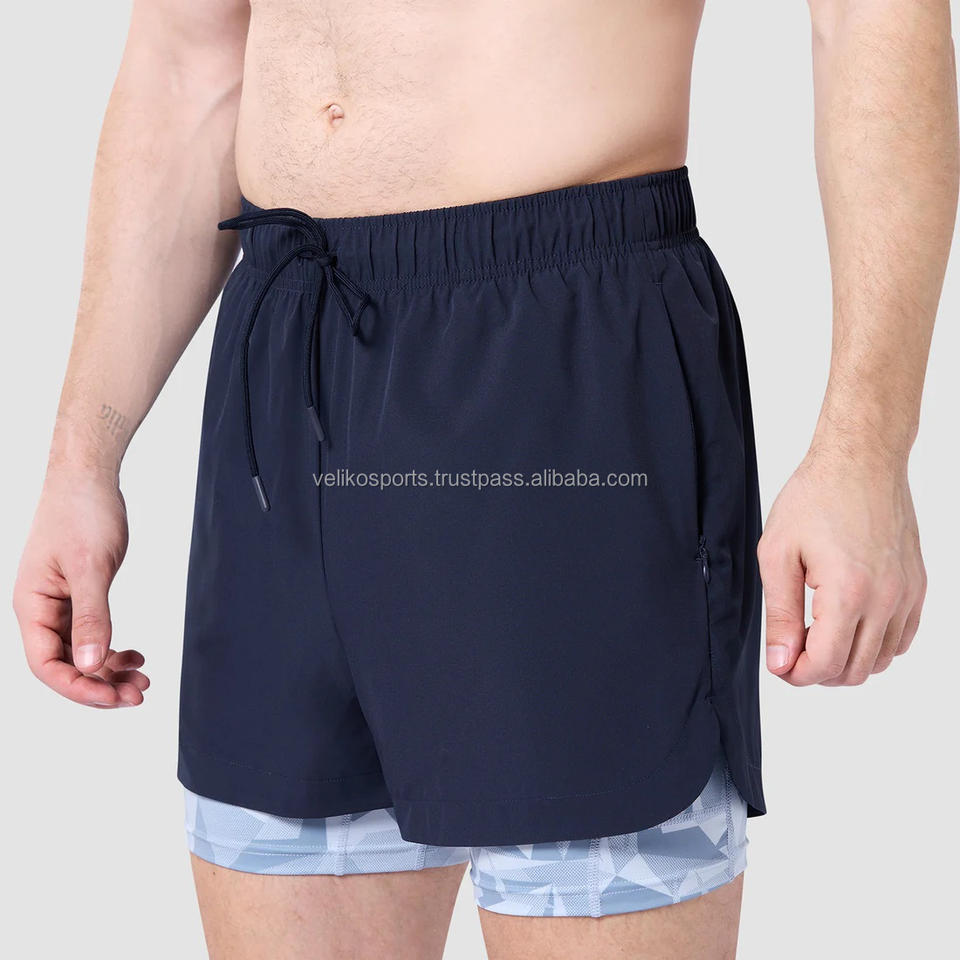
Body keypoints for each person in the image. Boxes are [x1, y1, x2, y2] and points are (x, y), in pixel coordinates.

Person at [13, 1, 957, 957]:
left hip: (563, 360)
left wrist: (867, 450)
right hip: (283, 381)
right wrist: (82, 457)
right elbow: (187, 64)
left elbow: (871, 17)